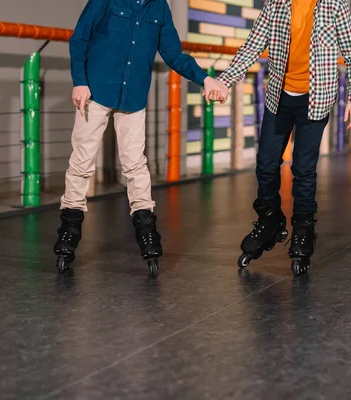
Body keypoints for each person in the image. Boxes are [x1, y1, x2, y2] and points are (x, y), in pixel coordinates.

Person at [54, 0, 229, 275]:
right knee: (81, 163)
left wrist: (205, 79)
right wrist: (79, 81)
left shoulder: (159, 7)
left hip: (133, 97)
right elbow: (80, 38)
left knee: (136, 165)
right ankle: (69, 231)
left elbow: (174, 54)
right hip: (95, 92)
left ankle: (147, 232)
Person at [210, 0, 351, 275]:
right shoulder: (276, 5)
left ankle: (303, 230)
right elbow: (252, 46)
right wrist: (225, 79)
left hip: (316, 99)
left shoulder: (334, 6)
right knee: (265, 165)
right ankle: (270, 219)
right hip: (279, 98)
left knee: (303, 170)